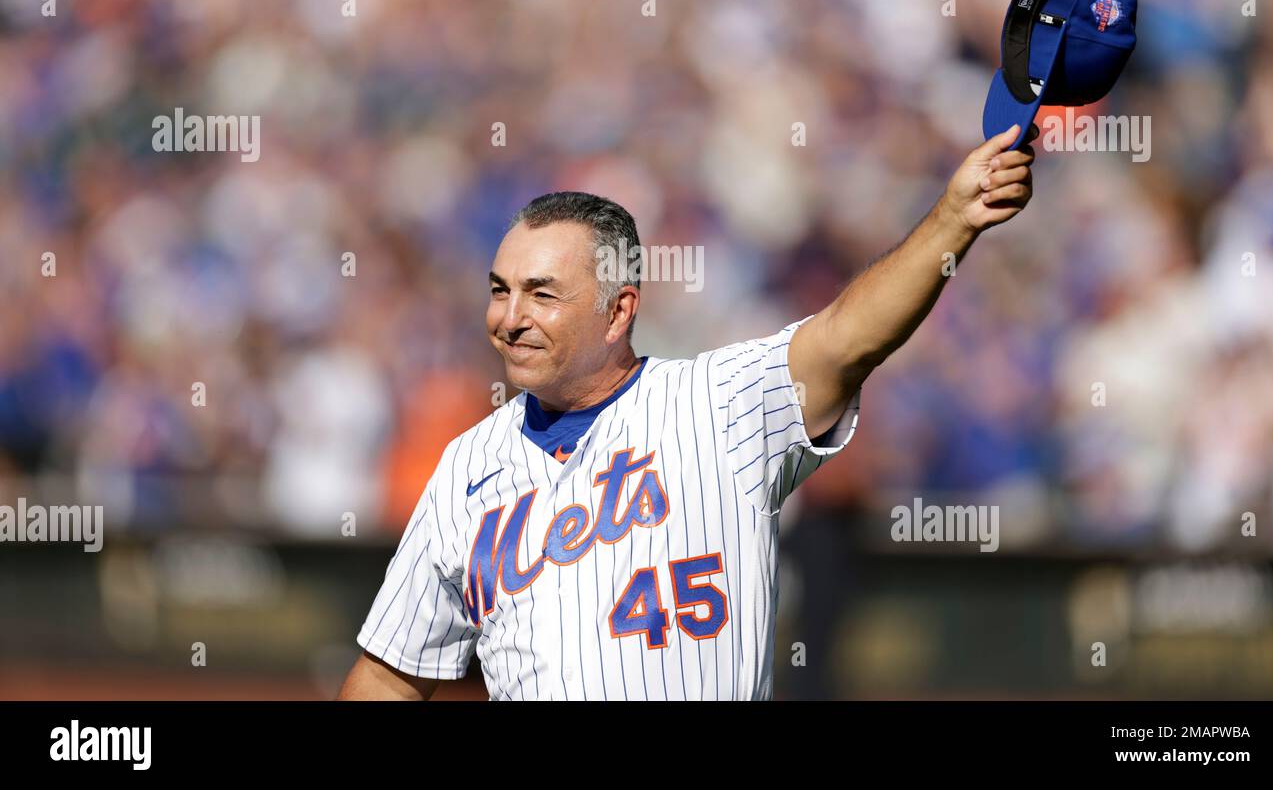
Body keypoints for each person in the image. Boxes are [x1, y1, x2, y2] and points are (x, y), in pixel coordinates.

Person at [337, 123, 1036, 700]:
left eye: (542, 294)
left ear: (619, 311)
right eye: (500, 290)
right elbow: (387, 674)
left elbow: (847, 337)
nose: (509, 318)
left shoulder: (718, 404)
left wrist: (954, 218)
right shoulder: (468, 465)